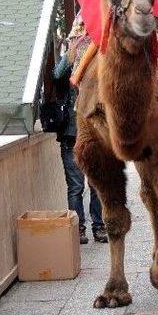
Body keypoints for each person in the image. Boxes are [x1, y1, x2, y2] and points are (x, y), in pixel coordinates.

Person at [54, 43, 108, 245]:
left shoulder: (100, 63)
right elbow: (58, 74)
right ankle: (79, 229)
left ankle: (99, 227)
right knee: (76, 187)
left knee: (95, 184)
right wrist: (73, 50)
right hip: (71, 135)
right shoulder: (72, 63)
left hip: (96, 134)